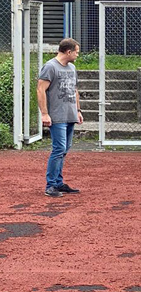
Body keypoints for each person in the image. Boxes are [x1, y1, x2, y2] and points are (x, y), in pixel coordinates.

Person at [38, 38, 83, 197]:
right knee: (58, 149)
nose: (77, 54)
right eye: (76, 51)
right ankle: (50, 186)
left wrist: (78, 110)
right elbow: (40, 90)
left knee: (64, 149)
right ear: (68, 51)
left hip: (70, 114)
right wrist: (44, 113)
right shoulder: (50, 67)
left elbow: (74, 89)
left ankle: (58, 183)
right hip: (57, 116)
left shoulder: (72, 67)